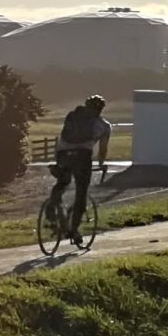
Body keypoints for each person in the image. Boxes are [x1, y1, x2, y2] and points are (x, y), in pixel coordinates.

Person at [49, 94, 111, 243]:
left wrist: (58, 159)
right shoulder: (104, 125)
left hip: (63, 154)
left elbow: (62, 138)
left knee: (62, 182)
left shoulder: (73, 116)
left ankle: (51, 210)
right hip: (82, 157)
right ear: (101, 109)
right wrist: (101, 163)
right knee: (81, 193)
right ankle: (74, 231)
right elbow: (102, 150)